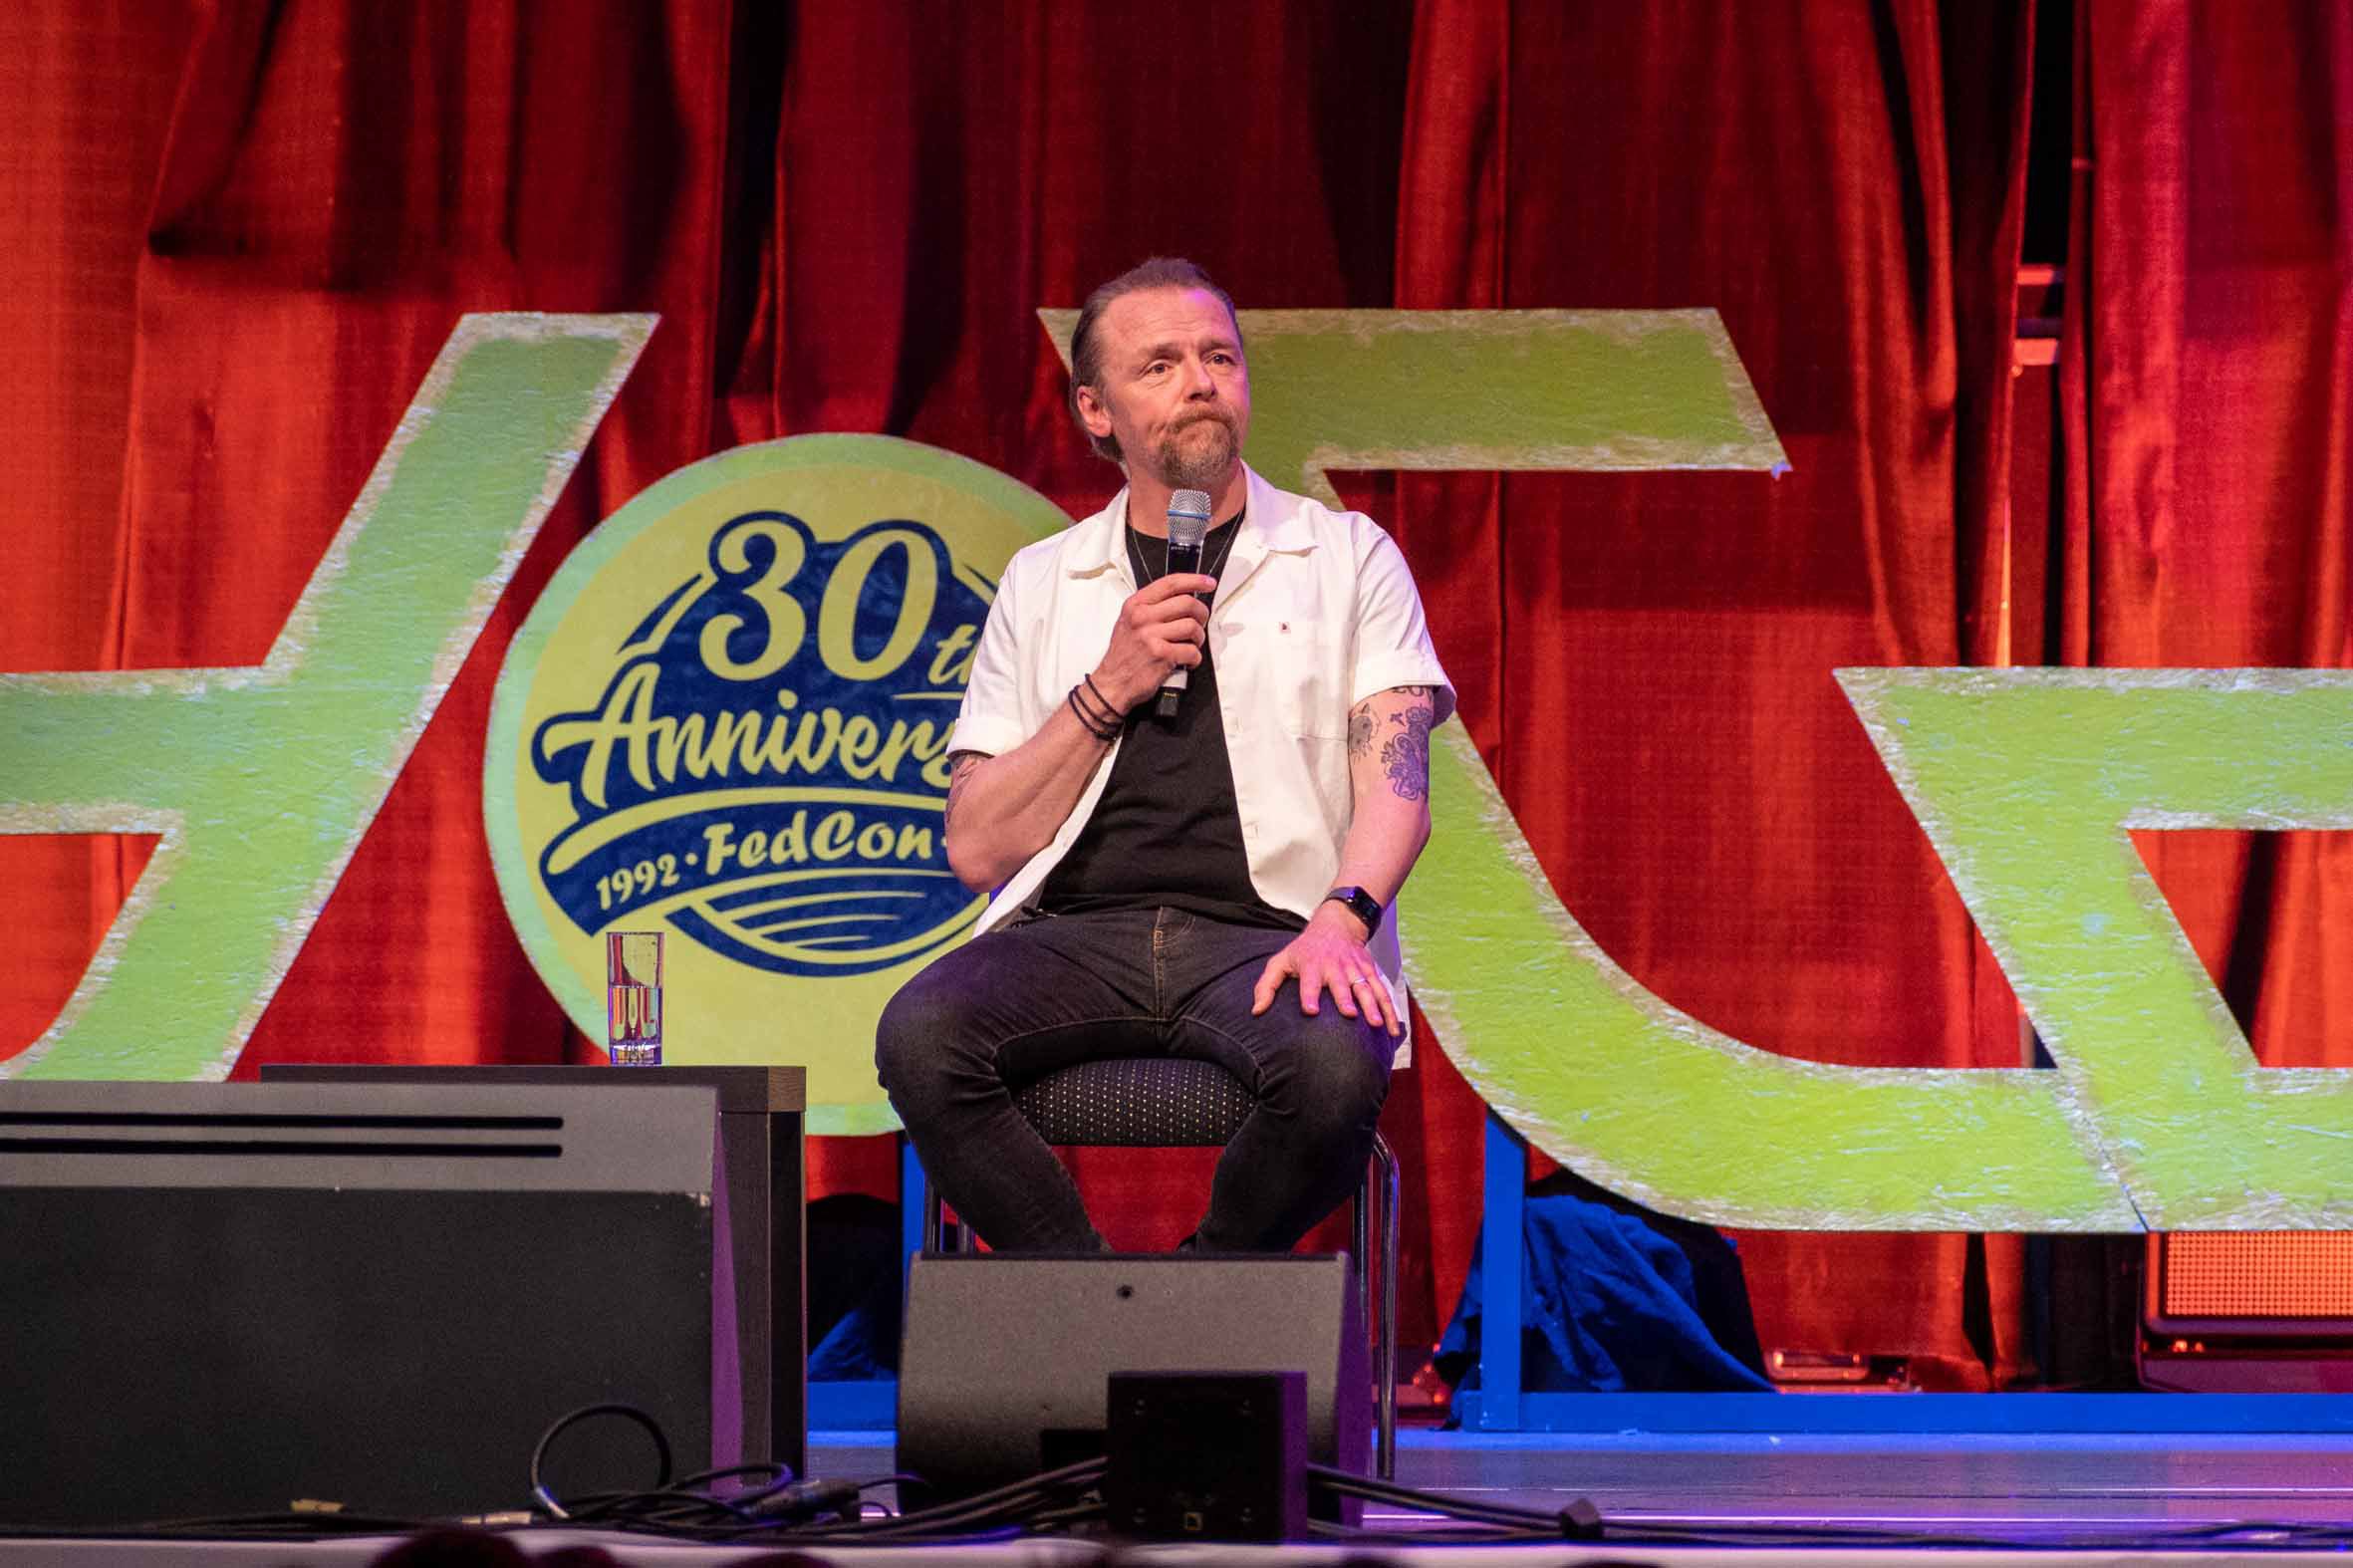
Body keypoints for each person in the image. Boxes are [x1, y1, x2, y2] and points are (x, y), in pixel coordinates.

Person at [874, 256, 1454, 1252]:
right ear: (1096, 411)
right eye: (1161, 364)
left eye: (1219, 356)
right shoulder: (1044, 579)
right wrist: (1109, 685)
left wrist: (1341, 921)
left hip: (1270, 933)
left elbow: (1398, 786)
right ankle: (1088, 1303)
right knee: (921, 1037)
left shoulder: (1348, 556)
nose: (1200, 381)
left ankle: (1196, 1296)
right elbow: (975, 848)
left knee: (1332, 1065)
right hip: (1071, 933)